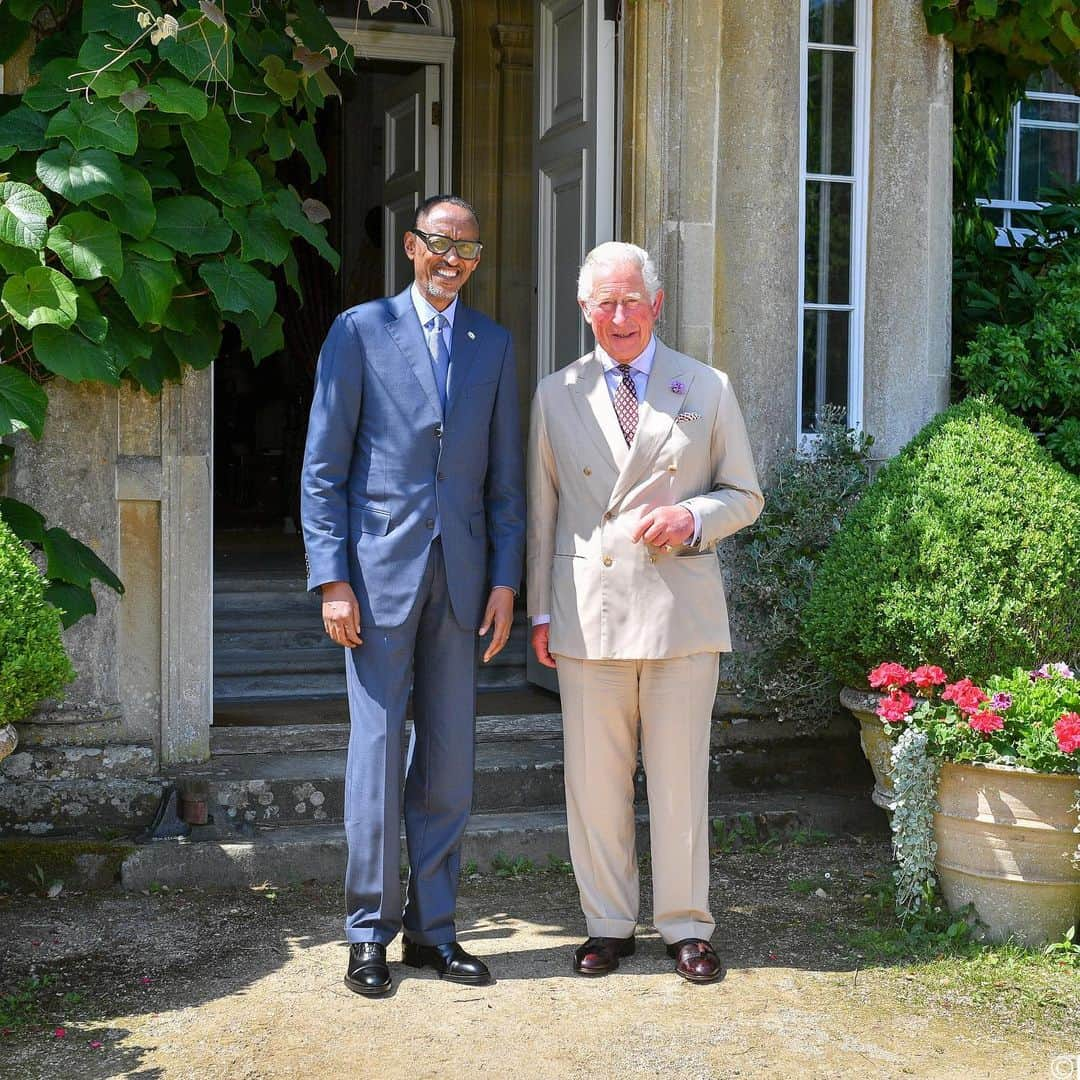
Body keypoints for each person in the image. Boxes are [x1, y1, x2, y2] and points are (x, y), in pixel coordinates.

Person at [301, 195, 525, 996]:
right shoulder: (358, 331)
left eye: (466, 250)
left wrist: (505, 579)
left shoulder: (492, 343)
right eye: (438, 244)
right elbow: (323, 470)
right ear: (410, 246)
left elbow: (504, 478)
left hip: (462, 583)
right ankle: (369, 933)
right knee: (376, 759)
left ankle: (434, 934)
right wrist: (332, 580)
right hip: (375, 579)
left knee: (450, 769)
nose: (451, 260)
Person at [527, 241, 763, 984]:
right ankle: (606, 924)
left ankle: (686, 925)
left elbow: (745, 495)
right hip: (587, 611)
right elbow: (544, 513)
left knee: (678, 779)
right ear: (584, 309)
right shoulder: (554, 391)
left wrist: (692, 518)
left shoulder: (706, 385)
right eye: (606, 302)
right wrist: (539, 612)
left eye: (633, 300)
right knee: (594, 782)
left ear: (657, 304)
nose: (620, 315)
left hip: (678, 611)